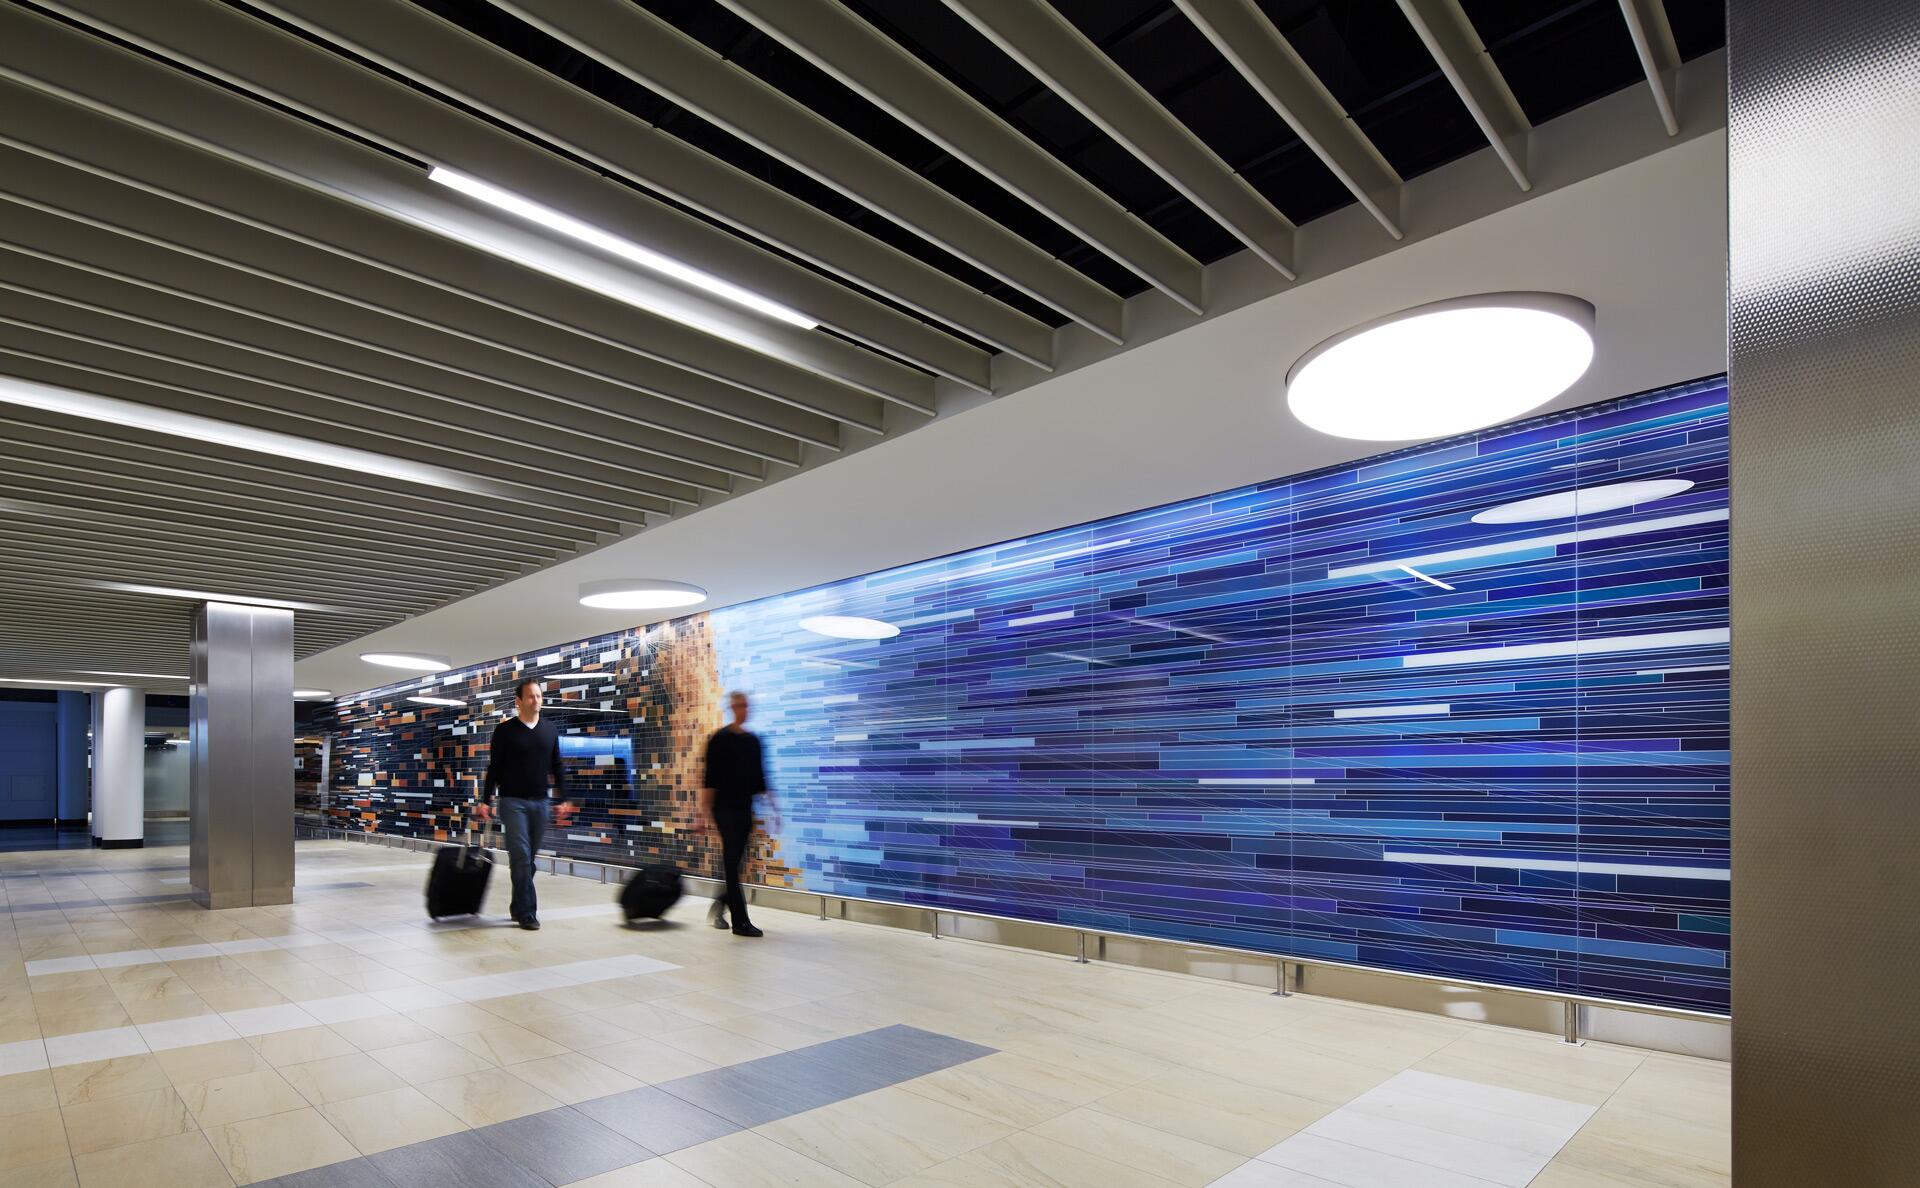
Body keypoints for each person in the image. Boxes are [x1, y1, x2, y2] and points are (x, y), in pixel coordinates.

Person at [478, 677, 574, 929]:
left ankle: (518, 904)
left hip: (541, 803)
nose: (536, 700)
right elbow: (494, 768)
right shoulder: (505, 731)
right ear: (518, 701)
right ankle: (528, 913)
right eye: (531, 696)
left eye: (539, 696)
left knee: (528, 860)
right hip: (512, 802)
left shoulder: (549, 730)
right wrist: (485, 800)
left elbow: (557, 765)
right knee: (521, 855)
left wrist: (563, 798)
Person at [698, 690, 777, 938]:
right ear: (732, 708)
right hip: (724, 810)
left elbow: (761, 779)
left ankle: (718, 907)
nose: (745, 709)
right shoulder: (719, 739)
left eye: (746, 705)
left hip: (744, 808)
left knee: (735, 864)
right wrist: (702, 814)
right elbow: (709, 780)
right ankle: (740, 922)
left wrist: (774, 809)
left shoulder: (753, 741)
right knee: (732, 863)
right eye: (740, 705)